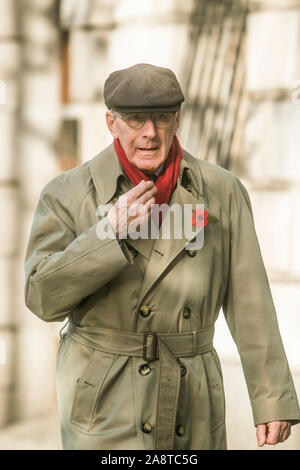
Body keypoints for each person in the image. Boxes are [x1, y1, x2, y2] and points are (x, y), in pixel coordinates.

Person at [24, 63, 300, 450]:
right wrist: (108, 235)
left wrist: (271, 397)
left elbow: (250, 299)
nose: (150, 133)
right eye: (136, 119)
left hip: (193, 394)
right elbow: (41, 297)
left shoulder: (221, 191)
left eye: (162, 118)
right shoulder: (67, 194)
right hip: (104, 400)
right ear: (111, 123)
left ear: (178, 119)